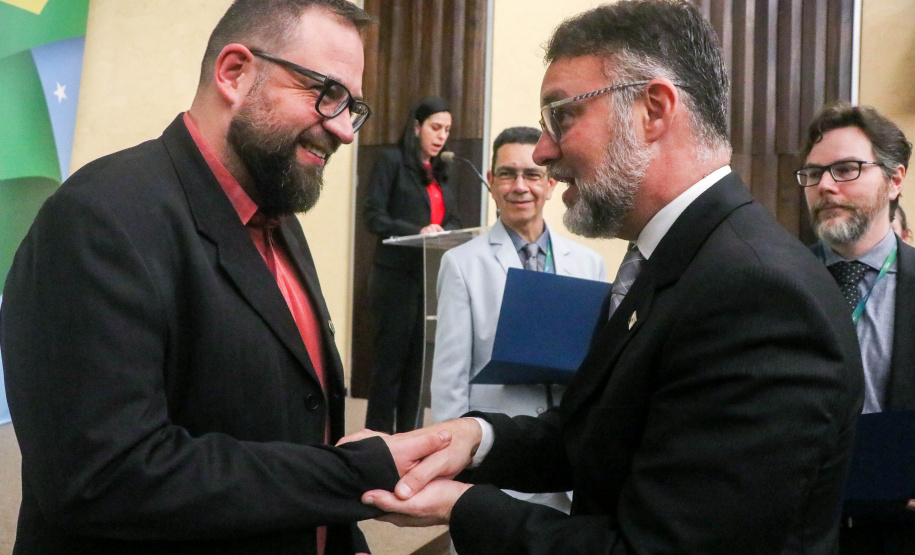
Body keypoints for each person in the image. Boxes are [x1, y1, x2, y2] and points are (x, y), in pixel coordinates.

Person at [352, 2, 865, 553]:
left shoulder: (759, 295)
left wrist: (461, 506)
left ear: (653, 109)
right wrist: (476, 439)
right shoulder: (675, 260)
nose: (545, 152)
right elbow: (599, 433)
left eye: (560, 116)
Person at [0, 1, 450, 553]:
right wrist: (350, 475)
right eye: (326, 93)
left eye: (352, 106)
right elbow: (106, 477)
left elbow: (292, 418)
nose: (343, 131)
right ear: (234, 73)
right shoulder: (98, 220)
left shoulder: (278, 218)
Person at [430, 126, 605, 514]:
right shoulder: (462, 265)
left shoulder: (588, 264)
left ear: (551, 183)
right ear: (491, 183)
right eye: (507, 174)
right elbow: (450, 378)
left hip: (566, 460)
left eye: (532, 174)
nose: (519, 186)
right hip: (497, 454)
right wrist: (452, 467)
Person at [800, 102, 915, 554]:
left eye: (846, 169)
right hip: (798, 528)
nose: (825, 186)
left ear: (895, 179)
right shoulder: (774, 283)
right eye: (813, 174)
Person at [362, 96, 463, 434]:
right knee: (389, 367)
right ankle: (375, 441)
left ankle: (408, 438)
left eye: (447, 130)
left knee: (417, 370)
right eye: (435, 127)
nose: (441, 136)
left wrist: (446, 232)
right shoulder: (391, 161)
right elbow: (374, 216)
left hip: (426, 278)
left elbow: (452, 220)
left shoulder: (441, 172)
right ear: (417, 127)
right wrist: (417, 231)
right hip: (394, 278)